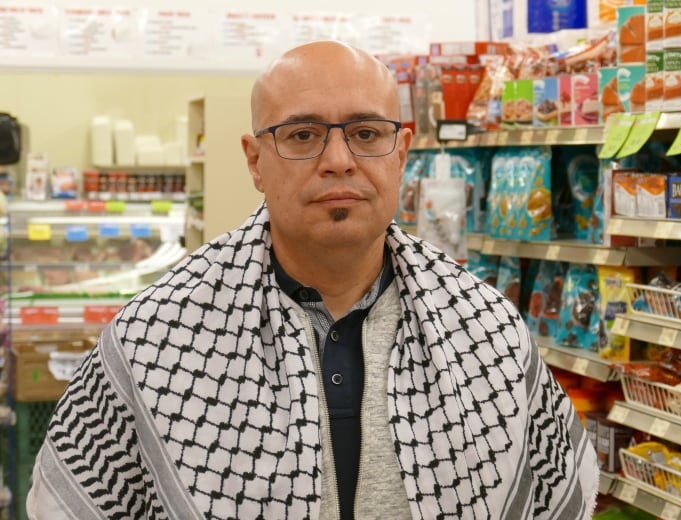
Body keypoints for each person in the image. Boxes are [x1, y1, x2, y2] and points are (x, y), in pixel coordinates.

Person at [27, 40, 598, 519]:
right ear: (254, 161)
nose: (339, 160)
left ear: (402, 153)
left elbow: (556, 498)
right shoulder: (155, 335)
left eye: (366, 133)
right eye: (302, 135)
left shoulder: (488, 330)